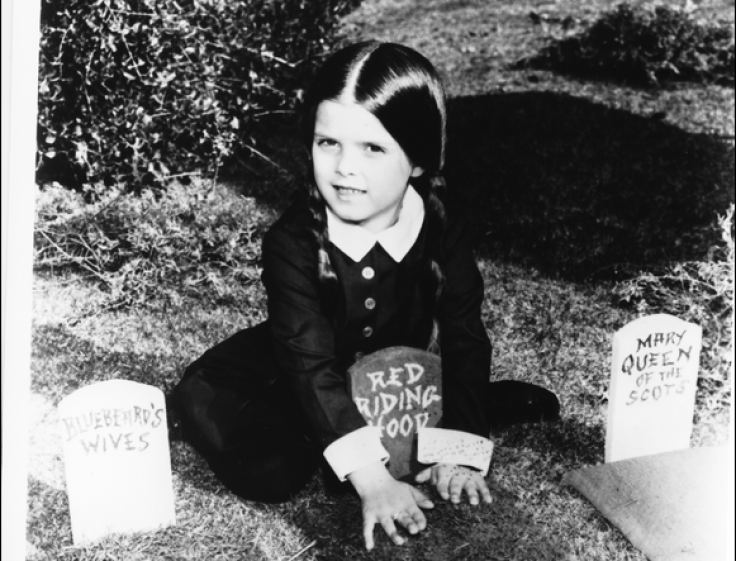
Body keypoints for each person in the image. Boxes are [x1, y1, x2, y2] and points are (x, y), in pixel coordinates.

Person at [168, 40, 560, 551]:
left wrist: (457, 450)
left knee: (434, 419)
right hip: (276, 378)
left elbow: (463, 332)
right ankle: (192, 410)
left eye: (372, 148)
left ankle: (466, 409)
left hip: (383, 381)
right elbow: (308, 366)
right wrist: (372, 480)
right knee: (276, 473)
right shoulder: (293, 242)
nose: (344, 168)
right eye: (328, 143)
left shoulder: (440, 223)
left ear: (418, 160)